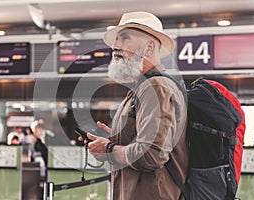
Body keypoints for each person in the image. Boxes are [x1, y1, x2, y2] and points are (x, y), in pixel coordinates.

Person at [79, 11, 188, 199]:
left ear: (148, 48)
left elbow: (152, 154)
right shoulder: (142, 87)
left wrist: (108, 149)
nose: (114, 46)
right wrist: (115, 139)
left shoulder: (155, 87)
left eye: (124, 38)